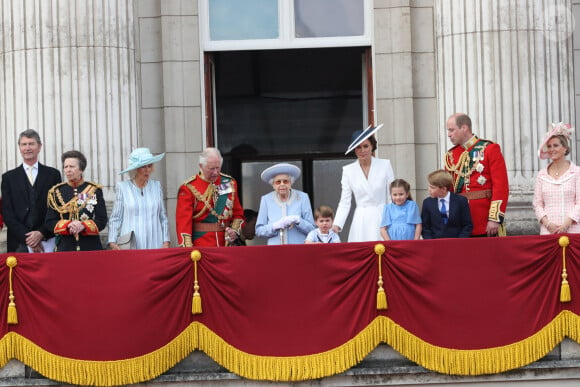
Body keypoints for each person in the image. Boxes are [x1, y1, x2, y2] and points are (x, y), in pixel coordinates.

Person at [444, 113, 509, 237]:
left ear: (464, 128)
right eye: (448, 130)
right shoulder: (451, 156)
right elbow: (449, 191)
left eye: (452, 130)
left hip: (484, 220)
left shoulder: (489, 149)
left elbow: (501, 186)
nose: (449, 134)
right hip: (460, 222)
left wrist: (494, 218)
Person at [1, 129, 61, 253]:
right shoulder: (8, 178)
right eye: (24, 144)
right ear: (19, 147)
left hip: (47, 240)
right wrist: (29, 239)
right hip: (19, 243)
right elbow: (7, 213)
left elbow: (57, 208)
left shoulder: (53, 174)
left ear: (39, 147)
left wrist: (41, 233)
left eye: (31, 144)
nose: (27, 148)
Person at [332, 124, 395, 241]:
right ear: (354, 150)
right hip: (361, 219)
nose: (362, 151)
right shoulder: (348, 170)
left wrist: (393, 220)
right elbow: (345, 201)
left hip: (382, 217)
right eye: (358, 147)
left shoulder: (385, 165)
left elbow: (391, 196)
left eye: (366, 146)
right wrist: (337, 224)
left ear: (372, 146)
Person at [176, 147, 244, 247]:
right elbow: (183, 224)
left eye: (218, 167)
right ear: (201, 166)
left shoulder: (230, 182)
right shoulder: (189, 188)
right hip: (201, 244)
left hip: (226, 244)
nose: (216, 172)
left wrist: (234, 231)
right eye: (211, 168)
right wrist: (188, 249)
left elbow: (238, 214)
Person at [107, 148, 171, 249]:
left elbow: (162, 217)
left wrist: (166, 241)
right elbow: (116, 217)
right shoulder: (123, 187)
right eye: (143, 167)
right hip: (130, 243)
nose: (147, 170)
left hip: (155, 242)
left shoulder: (156, 186)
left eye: (149, 166)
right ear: (135, 169)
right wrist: (112, 241)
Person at [45, 150, 108, 251]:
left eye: (72, 167)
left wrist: (83, 226)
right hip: (65, 247)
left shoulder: (94, 190)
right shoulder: (56, 192)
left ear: (81, 169)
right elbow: (49, 222)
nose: (68, 170)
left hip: (90, 246)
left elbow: (102, 220)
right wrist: (68, 225)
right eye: (66, 167)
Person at [533, 122, 580, 234]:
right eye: (549, 146)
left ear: (565, 148)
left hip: (572, 229)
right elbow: (537, 204)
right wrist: (547, 224)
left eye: (556, 145)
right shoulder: (542, 174)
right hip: (548, 230)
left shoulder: (577, 172)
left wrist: (566, 224)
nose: (551, 149)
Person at [255, 163, 315, 245]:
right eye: (278, 182)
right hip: (275, 250)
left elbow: (312, 229)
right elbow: (259, 231)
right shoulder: (266, 200)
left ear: (291, 183)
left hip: (298, 249)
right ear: (273, 185)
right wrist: (274, 226)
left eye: (285, 181)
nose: (282, 184)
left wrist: (298, 220)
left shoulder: (302, 197)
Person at [421, 170, 473, 239]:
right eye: (429, 186)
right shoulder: (427, 203)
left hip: (456, 242)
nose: (429, 189)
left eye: (432, 187)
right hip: (435, 243)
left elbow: (467, 225)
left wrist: (460, 241)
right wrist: (430, 242)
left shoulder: (461, 201)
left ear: (443, 189)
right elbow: (425, 227)